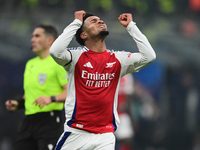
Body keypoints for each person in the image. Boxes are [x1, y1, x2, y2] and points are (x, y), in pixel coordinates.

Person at [50, 10, 156, 150]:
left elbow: (149, 56)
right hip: (77, 133)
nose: (100, 21)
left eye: (100, 20)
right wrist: (75, 23)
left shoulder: (119, 60)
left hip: (105, 136)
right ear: (84, 35)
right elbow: (55, 51)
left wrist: (131, 26)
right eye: (93, 21)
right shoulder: (75, 57)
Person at [5, 24, 68, 150]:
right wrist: (18, 104)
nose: (32, 39)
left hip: (49, 119)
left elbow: (71, 92)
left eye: (37, 36)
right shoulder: (30, 64)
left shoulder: (58, 63)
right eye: (33, 36)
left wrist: (51, 99)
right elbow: (29, 94)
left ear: (50, 40)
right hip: (29, 120)